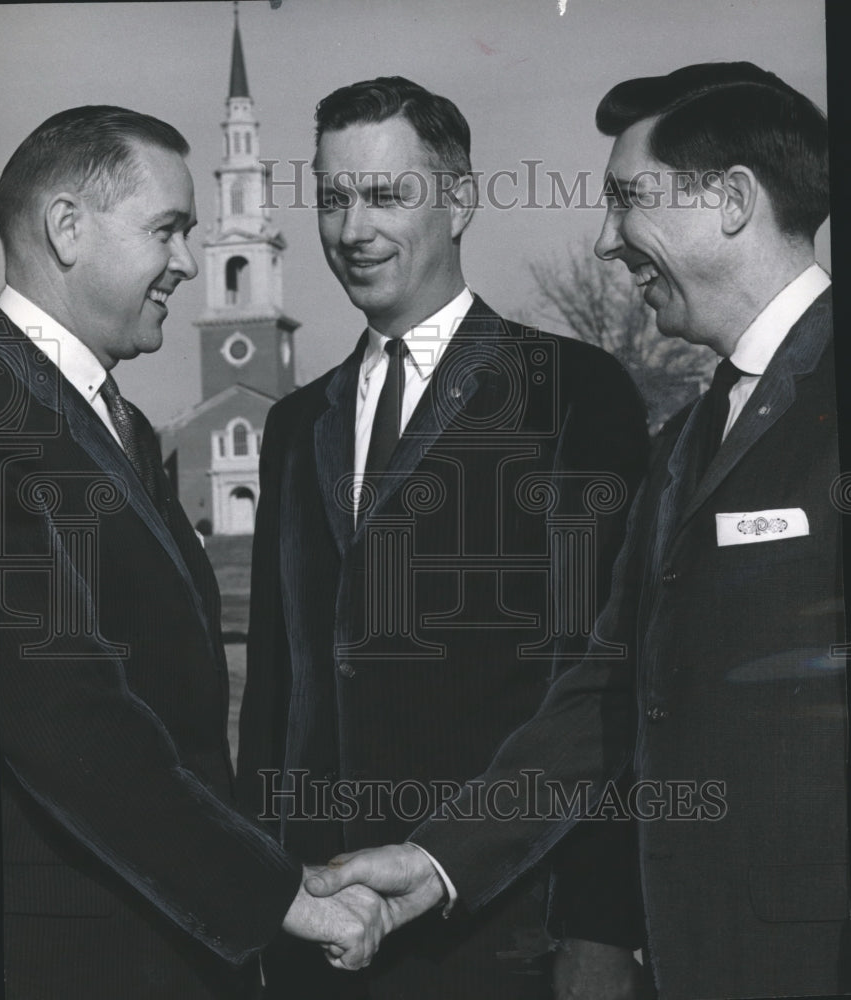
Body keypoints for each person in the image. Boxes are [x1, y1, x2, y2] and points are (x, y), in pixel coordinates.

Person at [307, 62, 850, 1000]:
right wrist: (435, 868)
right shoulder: (688, 434)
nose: (605, 243)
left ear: (730, 201)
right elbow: (607, 696)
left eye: (626, 203)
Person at [236, 77, 650, 998]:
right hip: (317, 933)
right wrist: (263, 901)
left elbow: (608, 687)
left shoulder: (570, 391)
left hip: (502, 937)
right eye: (334, 198)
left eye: (386, 196)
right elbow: (274, 689)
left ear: (459, 202)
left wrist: (599, 928)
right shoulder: (293, 423)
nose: (352, 229)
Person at [0, 105, 392, 1000]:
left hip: (155, 934)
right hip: (74, 950)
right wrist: (277, 896)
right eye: (167, 230)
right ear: (65, 229)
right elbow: (65, 716)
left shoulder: (115, 418)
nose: (183, 261)